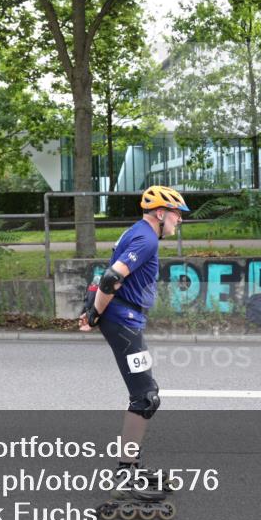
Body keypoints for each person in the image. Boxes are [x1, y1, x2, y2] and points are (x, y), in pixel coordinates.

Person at [79, 185, 188, 493]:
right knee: (145, 397)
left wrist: (92, 310)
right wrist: (96, 314)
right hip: (123, 320)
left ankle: (130, 469)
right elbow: (112, 277)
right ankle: (126, 476)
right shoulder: (146, 239)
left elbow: (104, 276)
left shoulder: (136, 231)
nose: (180, 220)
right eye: (177, 214)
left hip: (124, 318)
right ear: (161, 213)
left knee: (144, 395)